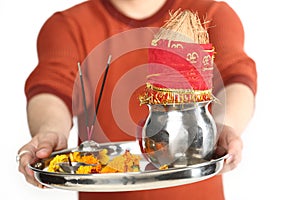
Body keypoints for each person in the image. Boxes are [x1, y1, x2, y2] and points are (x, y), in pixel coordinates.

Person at [17, 0, 257, 199]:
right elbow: (52, 88)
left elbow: (235, 78)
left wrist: (227, 124)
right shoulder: (67, 26)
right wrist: (50, 130)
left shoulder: (211, 14)